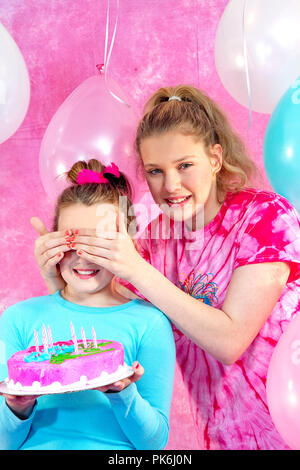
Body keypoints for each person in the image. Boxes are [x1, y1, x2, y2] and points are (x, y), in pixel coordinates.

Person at [30, 85, 300, 450]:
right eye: (156, 171)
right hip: (225, 439)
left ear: (215, 158)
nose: (171, 185)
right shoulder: (153, 242)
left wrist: (137, 270)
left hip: (288, 427)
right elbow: (100, 329)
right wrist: (56, 279)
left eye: (185, 165)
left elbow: (230, 340)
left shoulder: (264, 216)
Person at [0, 159, 175, 450]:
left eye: (100, 242)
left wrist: (123, 392)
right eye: (72, 240)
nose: (84, 257)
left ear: (127, 243)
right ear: (53, 242)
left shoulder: (149, 324)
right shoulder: (19, 319)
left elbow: (154, 444)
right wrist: (17, 409)